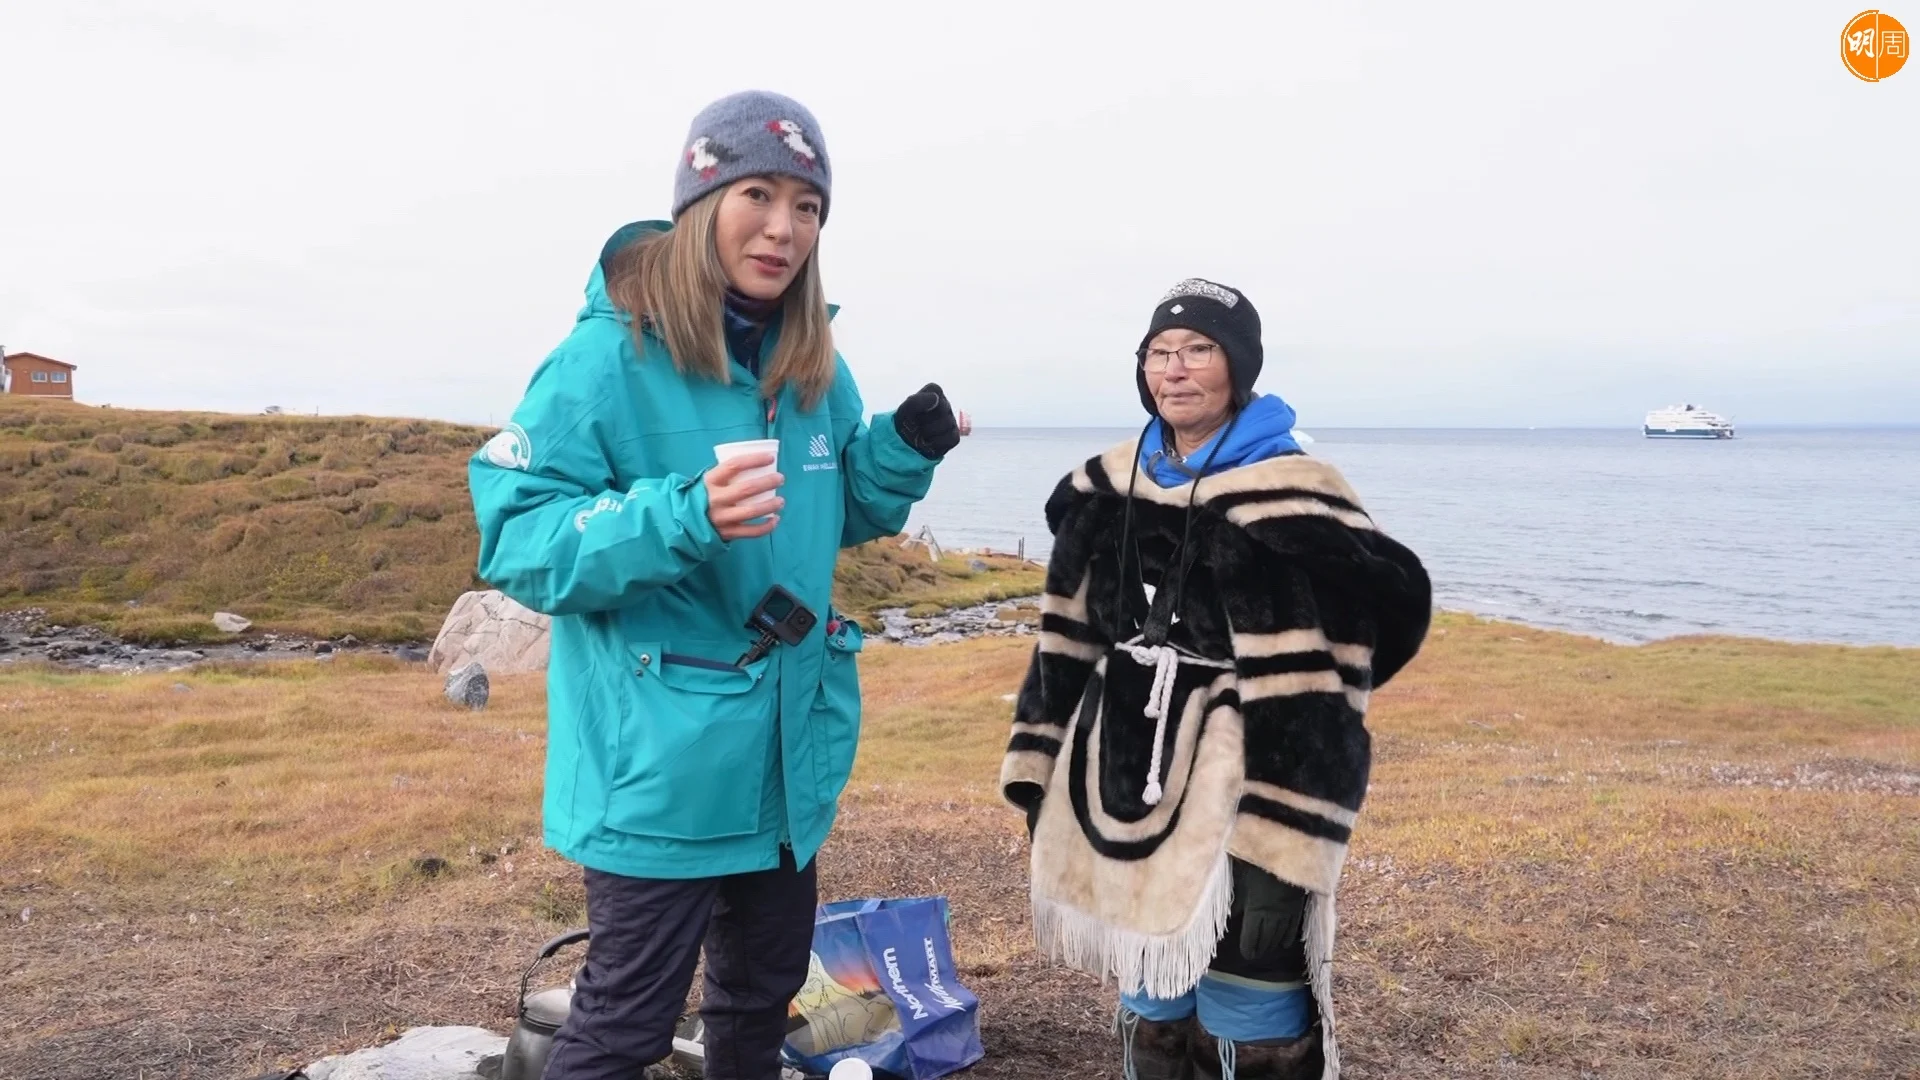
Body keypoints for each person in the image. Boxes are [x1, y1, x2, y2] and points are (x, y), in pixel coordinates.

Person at [468, 90, 964, 1079]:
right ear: (701, 203)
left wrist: (902, 452)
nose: (784, 228)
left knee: (758, 1004)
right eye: (758, 196)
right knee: (624, 1027)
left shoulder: (810, 359)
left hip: (786, 756)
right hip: (659, 769)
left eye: (808, 207)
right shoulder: (604, 358)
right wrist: (684, 514)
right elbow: (519, 536)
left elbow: (837, 507)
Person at [999, 279, 1430, 1080]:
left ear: (1238, 366)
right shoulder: (1104, 490)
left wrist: (1285, 828)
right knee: (1151, 982)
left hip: (1250, 775)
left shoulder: (1296, 496)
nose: (1176, 369)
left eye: (1199, 349)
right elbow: (1065, 639)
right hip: (1122, 773)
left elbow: (1354, 650)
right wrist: (1040, 765)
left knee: (1250, 983)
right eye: (1160, 353)